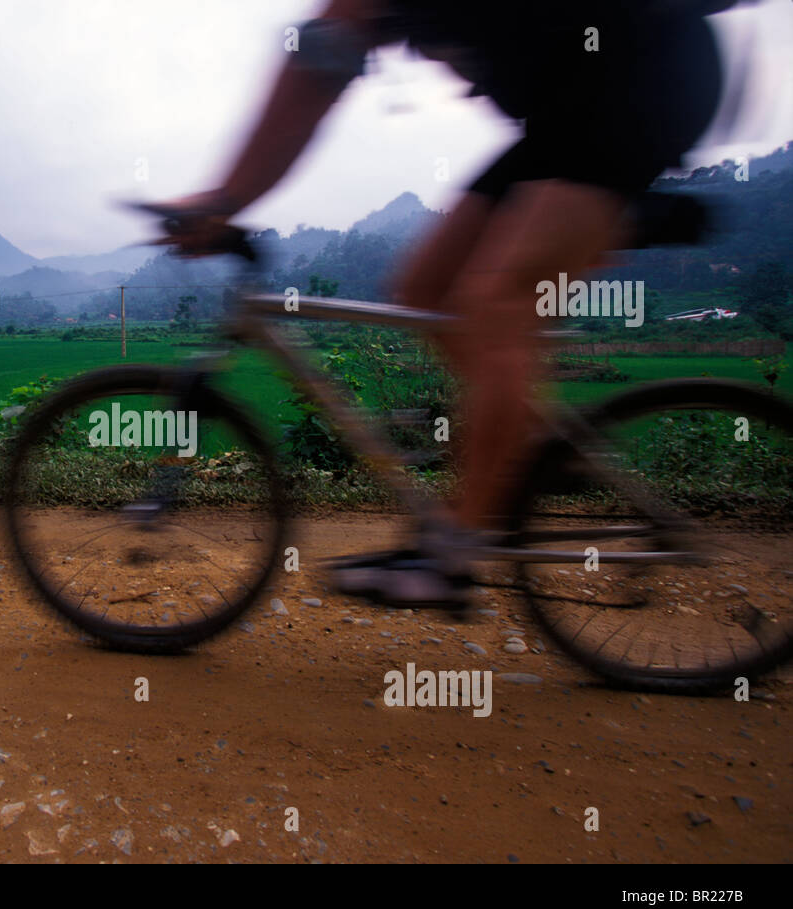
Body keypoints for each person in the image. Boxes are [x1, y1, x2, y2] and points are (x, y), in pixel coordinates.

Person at [147, 0, 730, 609]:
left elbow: (315, 66)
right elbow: (319, 61)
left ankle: (450, 554)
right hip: (567, 112)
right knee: (426, 290)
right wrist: (226, 199)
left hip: (641, 77)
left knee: (495, 302)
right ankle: (531, 457)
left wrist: (223, 199)